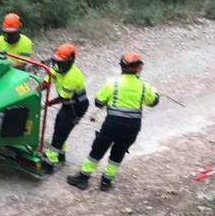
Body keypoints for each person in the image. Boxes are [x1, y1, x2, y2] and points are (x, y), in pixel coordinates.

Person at [67, 52, 159, 191]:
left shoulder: (112, 84)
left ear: (122, 67)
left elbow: (98, 102)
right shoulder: (145, 87)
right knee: (118, 153)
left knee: (97, 150)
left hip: (112, 125)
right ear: (139, 68)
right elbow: (153, 102)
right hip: (132, 127)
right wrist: (155, 92)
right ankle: (106, 182)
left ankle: (83, 178)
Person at [41, 44, 88, 174]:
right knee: (59, 127)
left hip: (76, 107)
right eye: (56, 62)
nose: (58, 65)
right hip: (68, 104)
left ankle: (49, 163)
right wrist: (34, 92)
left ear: (70, 61)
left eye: (61, 63)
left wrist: (46, 103)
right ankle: (60, 154)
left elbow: (63, 97)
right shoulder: (58, 68)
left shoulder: (74, 76)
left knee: (61, 131)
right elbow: (47, 82)